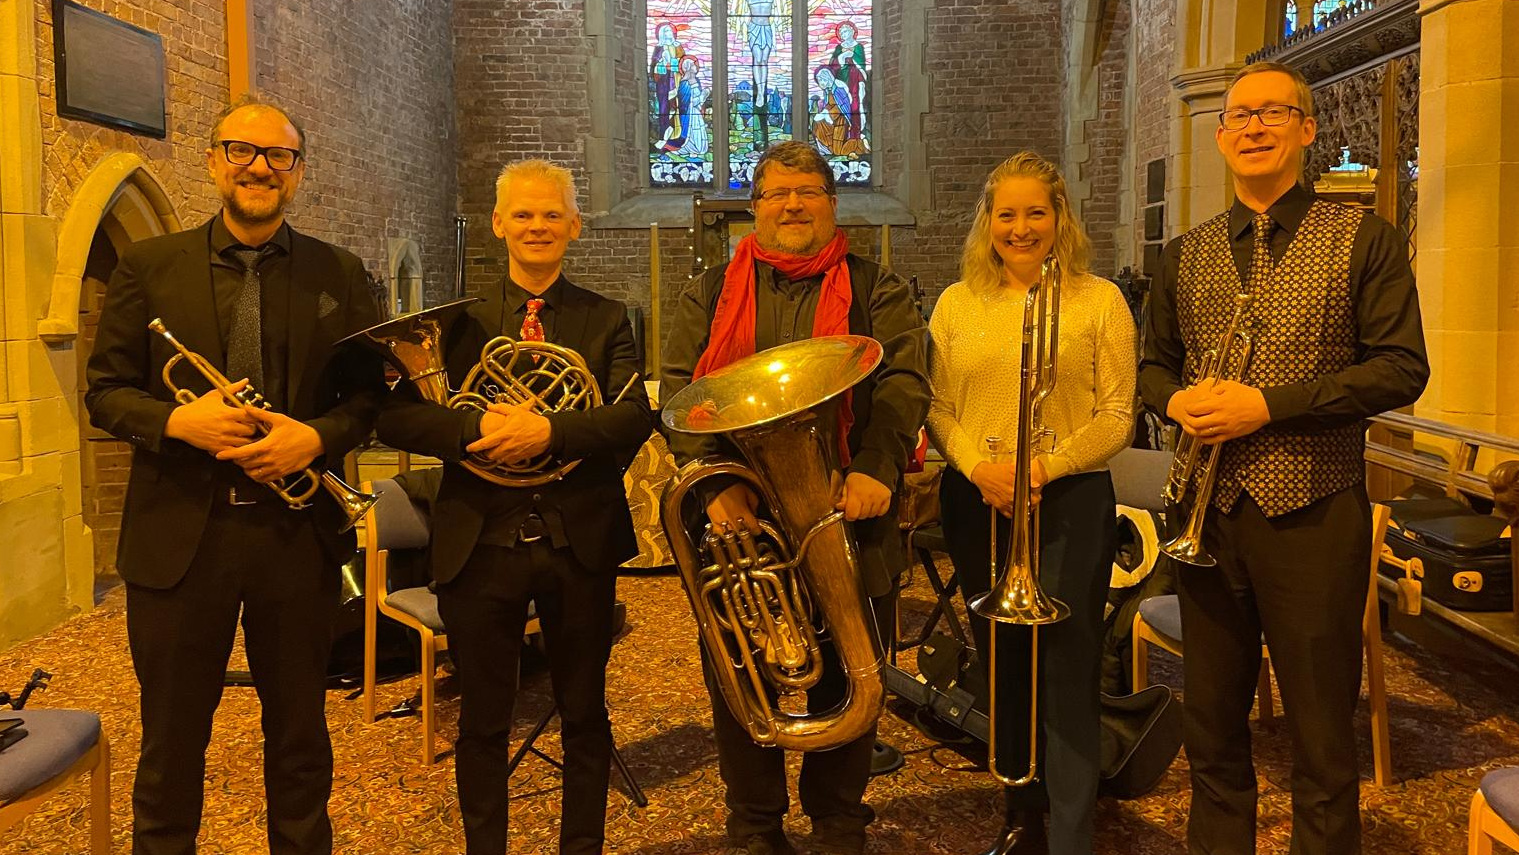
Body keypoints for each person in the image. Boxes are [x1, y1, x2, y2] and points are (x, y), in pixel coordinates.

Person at [1138, 61, 1428, 855]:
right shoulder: (1188, 251)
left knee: (1321, 734)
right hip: (1205, 517)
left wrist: (1268, 404)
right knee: (1211, 726)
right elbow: (1151, 365)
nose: (1252, 127)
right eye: (1237, 116)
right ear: (1222, 135)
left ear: (1305, 128)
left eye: (1272, 112)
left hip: (1313, 513)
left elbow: (1401, 367)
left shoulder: (1364, 238)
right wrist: (1172, 401)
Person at [84, 99, 386, 855]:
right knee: (171, 745)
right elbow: (105, 390)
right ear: (215, 160)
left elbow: (372, 399)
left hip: (296, 538)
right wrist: (177, 421)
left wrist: (313, 437)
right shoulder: (148, 266)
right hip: (181, 538)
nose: (259, 165)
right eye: (242, 149)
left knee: (299, 739)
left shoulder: (339, 272)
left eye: (277, 156)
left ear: (297, 173)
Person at [375, 159, 653, 855]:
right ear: (498, 223)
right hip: (480, 542)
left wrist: (549, 431)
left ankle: (579, 847)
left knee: (585, 712)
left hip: (577, 539)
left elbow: (629, 419)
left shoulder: (607, 317)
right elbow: (399, 421)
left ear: (573, 226)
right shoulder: (453, 326)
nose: (537, 226)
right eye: (522, 214)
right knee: (482, 721)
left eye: (551, 214)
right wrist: (476, 431)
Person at [661, 140, 929, 855]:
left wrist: (876, 465)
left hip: (850, 508)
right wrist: (715, 486)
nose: (792, 205)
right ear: (755, 207)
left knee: (851, 667)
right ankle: (753, 824)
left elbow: (904, 382)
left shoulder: (877, 288)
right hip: (738, 521)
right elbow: (677, 389)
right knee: (740, 669)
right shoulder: (708, 290)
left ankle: (838, 821)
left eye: (807, 192)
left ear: (831, 204)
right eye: (778, 193)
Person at [926, 151, 1136, 855]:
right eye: (1005, 214)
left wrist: (1042, 465)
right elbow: (935, 406)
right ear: (987, 222)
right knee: (1002, 660)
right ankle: (1021, 817)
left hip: (1068, 498)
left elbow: (1117, 414)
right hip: (975, 497)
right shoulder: (957, 302)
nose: (1020, 228)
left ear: (1060, 218)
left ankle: (1073, 833)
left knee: (1068, 665)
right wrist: (978, 467)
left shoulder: (1098, 299)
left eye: (1034, 213)